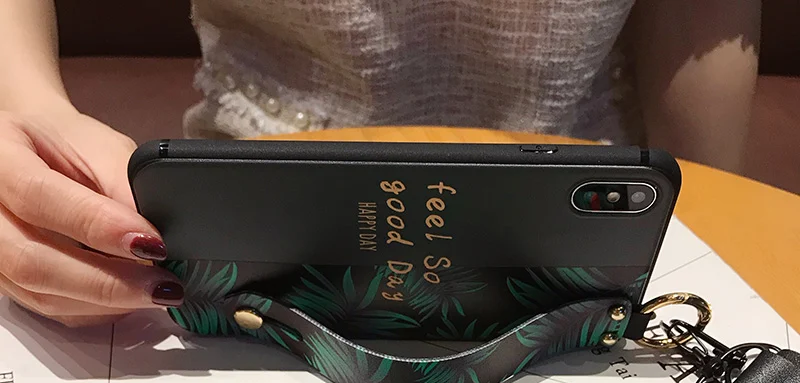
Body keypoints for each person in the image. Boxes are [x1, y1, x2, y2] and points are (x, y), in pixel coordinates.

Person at [0, 0, 760, 328]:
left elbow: (701, 22)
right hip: (244, 219)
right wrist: (27, 107)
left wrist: (713, 222)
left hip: (581, 216)